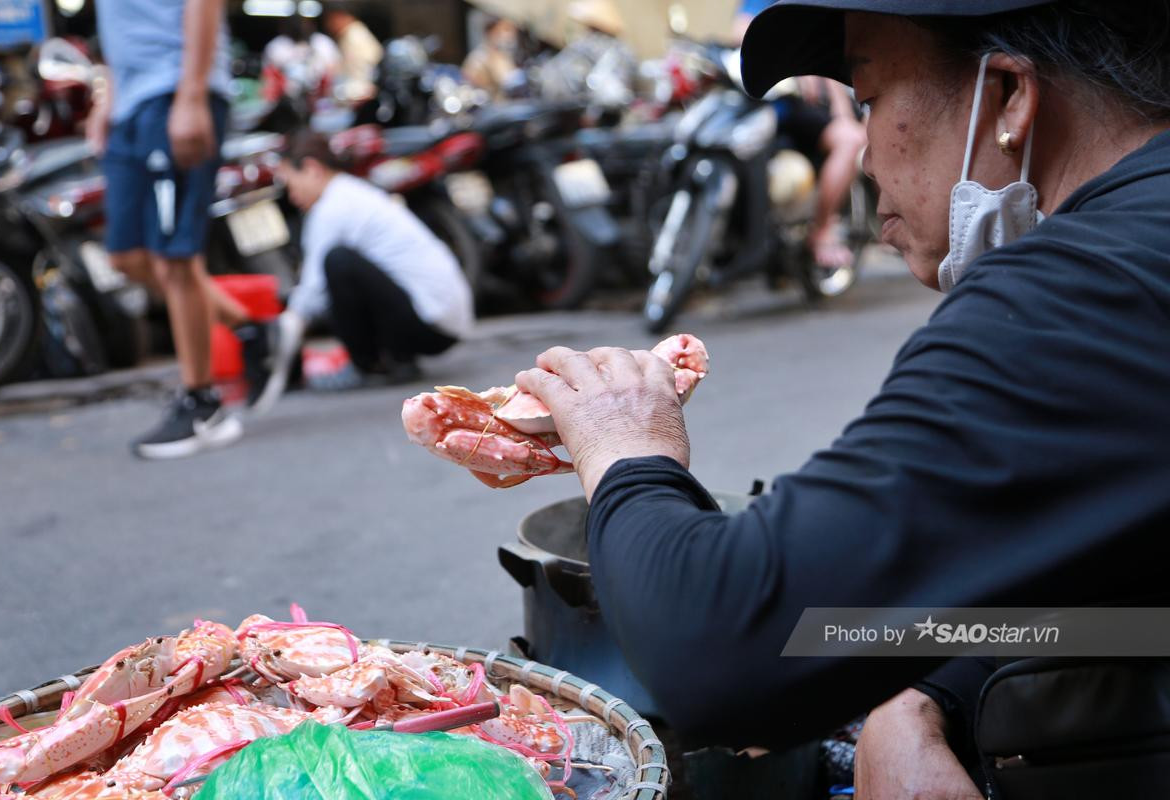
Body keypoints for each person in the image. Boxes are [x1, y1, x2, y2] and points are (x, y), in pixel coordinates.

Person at [511, 0, 1170, 797]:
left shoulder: (1088, 290)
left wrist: (624, 448)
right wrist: (930, 689)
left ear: (1008, 96)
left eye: (870, 99)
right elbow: (1137, 617)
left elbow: (722, 647)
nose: (861, 159)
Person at [86, 0, 239, 459]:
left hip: (175, 91)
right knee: (126, 256)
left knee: (175, 256)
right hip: (130, 104)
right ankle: (252, 329)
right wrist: (108, 98)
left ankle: (202, 404)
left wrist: (191, 94)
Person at [247, 131, 473, 410]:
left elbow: (312, 292)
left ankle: (370, 366)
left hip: (432, 324)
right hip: (444, 320)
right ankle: (397, 358)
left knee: (338, 263)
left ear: (312, 169)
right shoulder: (352, 192)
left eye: (290, 184)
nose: (291, 197)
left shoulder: (333, 207)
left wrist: (279, 342)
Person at [735, 4, 868, 270]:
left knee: (851, 140)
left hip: (801, 108)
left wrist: (839, 105)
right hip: (765, 108)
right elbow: (739, 30)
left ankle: (821, 229)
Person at [321, 6, 383, 103]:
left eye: (331, 20)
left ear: (340, 16)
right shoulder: (353, 32)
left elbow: (358, 74)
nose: (328, 25)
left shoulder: (353, 36)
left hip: (360, 94)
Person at [462, 16, 523, 100]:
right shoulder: (479, 59)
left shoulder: (504, 55)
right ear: (491, 32)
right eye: (506, 29)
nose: (510, 35)